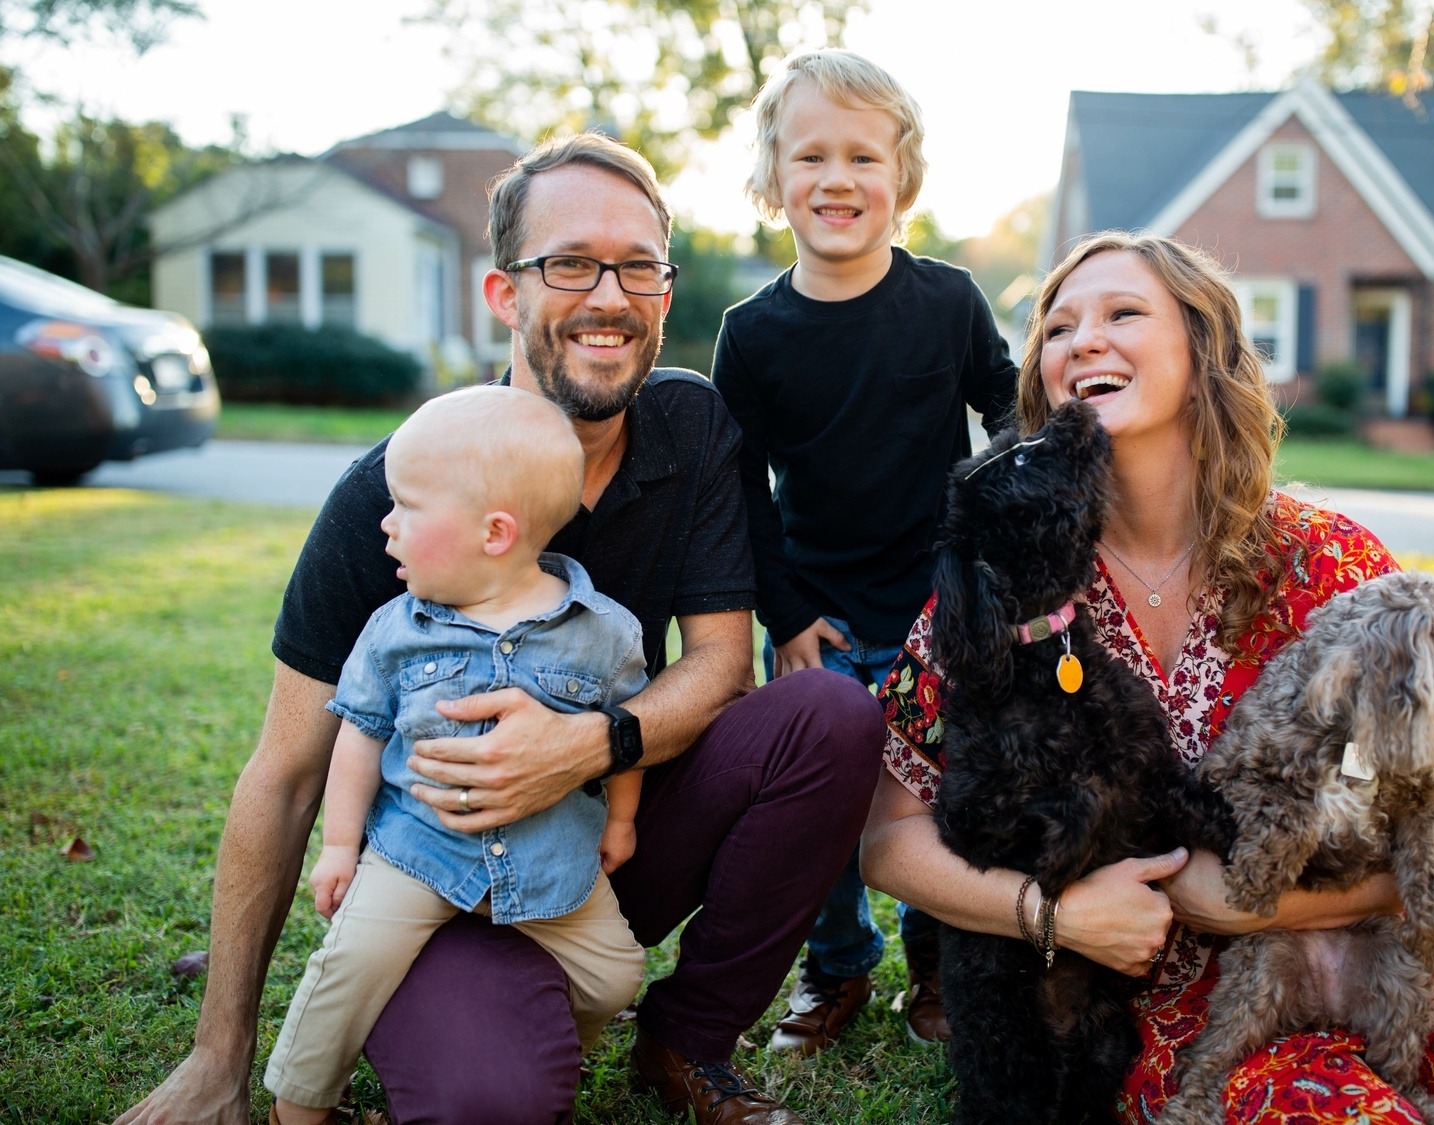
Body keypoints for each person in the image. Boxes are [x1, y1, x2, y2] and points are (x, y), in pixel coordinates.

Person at [118, 132, 885, 1125]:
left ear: (663, 293)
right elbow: (287, 773)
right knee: (493, 1100)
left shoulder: (691, 429)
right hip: (441, 873)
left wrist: (586, 746)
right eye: (569, 264)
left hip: (604, 852)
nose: (609, 296)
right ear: (504, 295)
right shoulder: (392, 495)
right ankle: (463, 1002)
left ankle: (686, 1040)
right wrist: (218, 1057)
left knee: (827, 715)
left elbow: (719, 665)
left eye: (638, 267)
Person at [860, 231, 1434, 1123]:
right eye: (1057, 329)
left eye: (1123, 313)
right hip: (1155, 1014)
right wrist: (1052, 915)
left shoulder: (1332, 561)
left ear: (1203, 352)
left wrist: (1262, 907)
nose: (1083, 340)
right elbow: (888, 839)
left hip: (1365, 959)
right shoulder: (1004, 572)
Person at [712, 48, 1018, 1055]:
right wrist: (786, 614)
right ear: (773, 179)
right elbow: (740, 492)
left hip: (941, 610)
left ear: (904, 178)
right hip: (821, 617)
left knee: (944, 794)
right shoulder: (750, 335)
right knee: (822, 813)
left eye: (862, 156)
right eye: (809, 156)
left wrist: (991, 532)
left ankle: (936, 964)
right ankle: (836, 966)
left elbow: (1010, 407)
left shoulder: (948, 302)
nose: (835, 178)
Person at [265, 384, 649, 1122]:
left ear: (495, 532)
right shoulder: (395, 629)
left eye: (407, 507)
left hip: (549, 862)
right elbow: (359, 733)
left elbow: (621, 736)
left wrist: (622, 821)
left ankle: (553, 1037)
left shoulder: (603, 633)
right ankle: (299, 1105)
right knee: (348, 964)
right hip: (417, 853)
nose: (386, 525)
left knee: (616, 975)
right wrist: (340, 846)